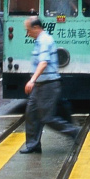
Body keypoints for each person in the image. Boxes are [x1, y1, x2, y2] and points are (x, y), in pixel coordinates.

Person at [19, 16, 79, 155]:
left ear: (36, 28)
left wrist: (32, 80)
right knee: (31, 114)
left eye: (28, 30)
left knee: (47, 117)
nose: (27, 34)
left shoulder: (45, 40)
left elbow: (43, 62)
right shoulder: (39, 41)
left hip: (48, 85)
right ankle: (33, 145)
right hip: (40, 85)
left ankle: (74, 131)